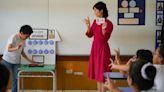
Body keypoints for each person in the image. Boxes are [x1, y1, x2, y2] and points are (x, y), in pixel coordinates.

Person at [84, 1, 113, 92]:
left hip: (103, 49)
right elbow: (90, 35)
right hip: (95, 48)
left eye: (96, 10)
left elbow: (105, 38)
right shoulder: (95, 21)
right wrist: (88, 26)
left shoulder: (109, 23)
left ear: (101, 11)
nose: (94, 12)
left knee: (103, 73)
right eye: (94, 10)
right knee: (97, 72)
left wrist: (104, 30)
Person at [1, 25, 35, 92]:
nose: (27, 38)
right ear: (21, 33)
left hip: (16, 62)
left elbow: (22, 52)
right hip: (7, 60)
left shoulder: (23, 40)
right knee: (2, 78)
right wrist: (16, 48)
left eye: (28, 36)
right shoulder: (13, 37)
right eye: (26, 36)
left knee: (16, 79)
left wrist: (29, 60)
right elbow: (9, 49)